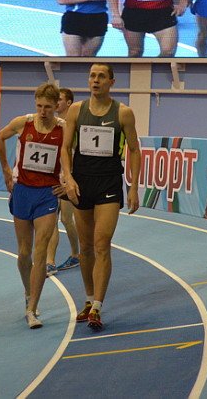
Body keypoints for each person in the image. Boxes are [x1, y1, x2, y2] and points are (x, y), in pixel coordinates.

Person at [62, 63, 141, 330]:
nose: (95, 80)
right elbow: (64, 148)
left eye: (101, 77)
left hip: (108, 182)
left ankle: (97, 305)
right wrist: (68, 177)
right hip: (82, 183)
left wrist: (133, 187)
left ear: (111, 81)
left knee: (101, 243)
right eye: (92, 76)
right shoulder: (76, 110)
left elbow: (135, 149)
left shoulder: (123, 113)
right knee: (85, 248)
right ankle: (87, 298)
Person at [0, 83, 66, 329]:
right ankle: (28, 292)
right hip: (23, 191)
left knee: (40, 252)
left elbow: (72, 157)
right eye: (39, 106)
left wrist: (66, 182)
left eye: (48, 107)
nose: (43, 111)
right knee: (24, 252)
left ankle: (32, 307)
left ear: (56, 106)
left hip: (47, 194)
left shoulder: (64, 129)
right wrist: (6, 169)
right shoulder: (22, 123)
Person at [45, 87, 80, 276]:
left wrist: (70, 178)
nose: (56, 102)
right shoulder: (52, 124)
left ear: (68, 103)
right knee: (52, 219)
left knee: (67, 219)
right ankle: (50, 261)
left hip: (69, 178)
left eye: (59, 99)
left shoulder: (73, 124)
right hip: (53, 176)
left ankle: (76, 253)